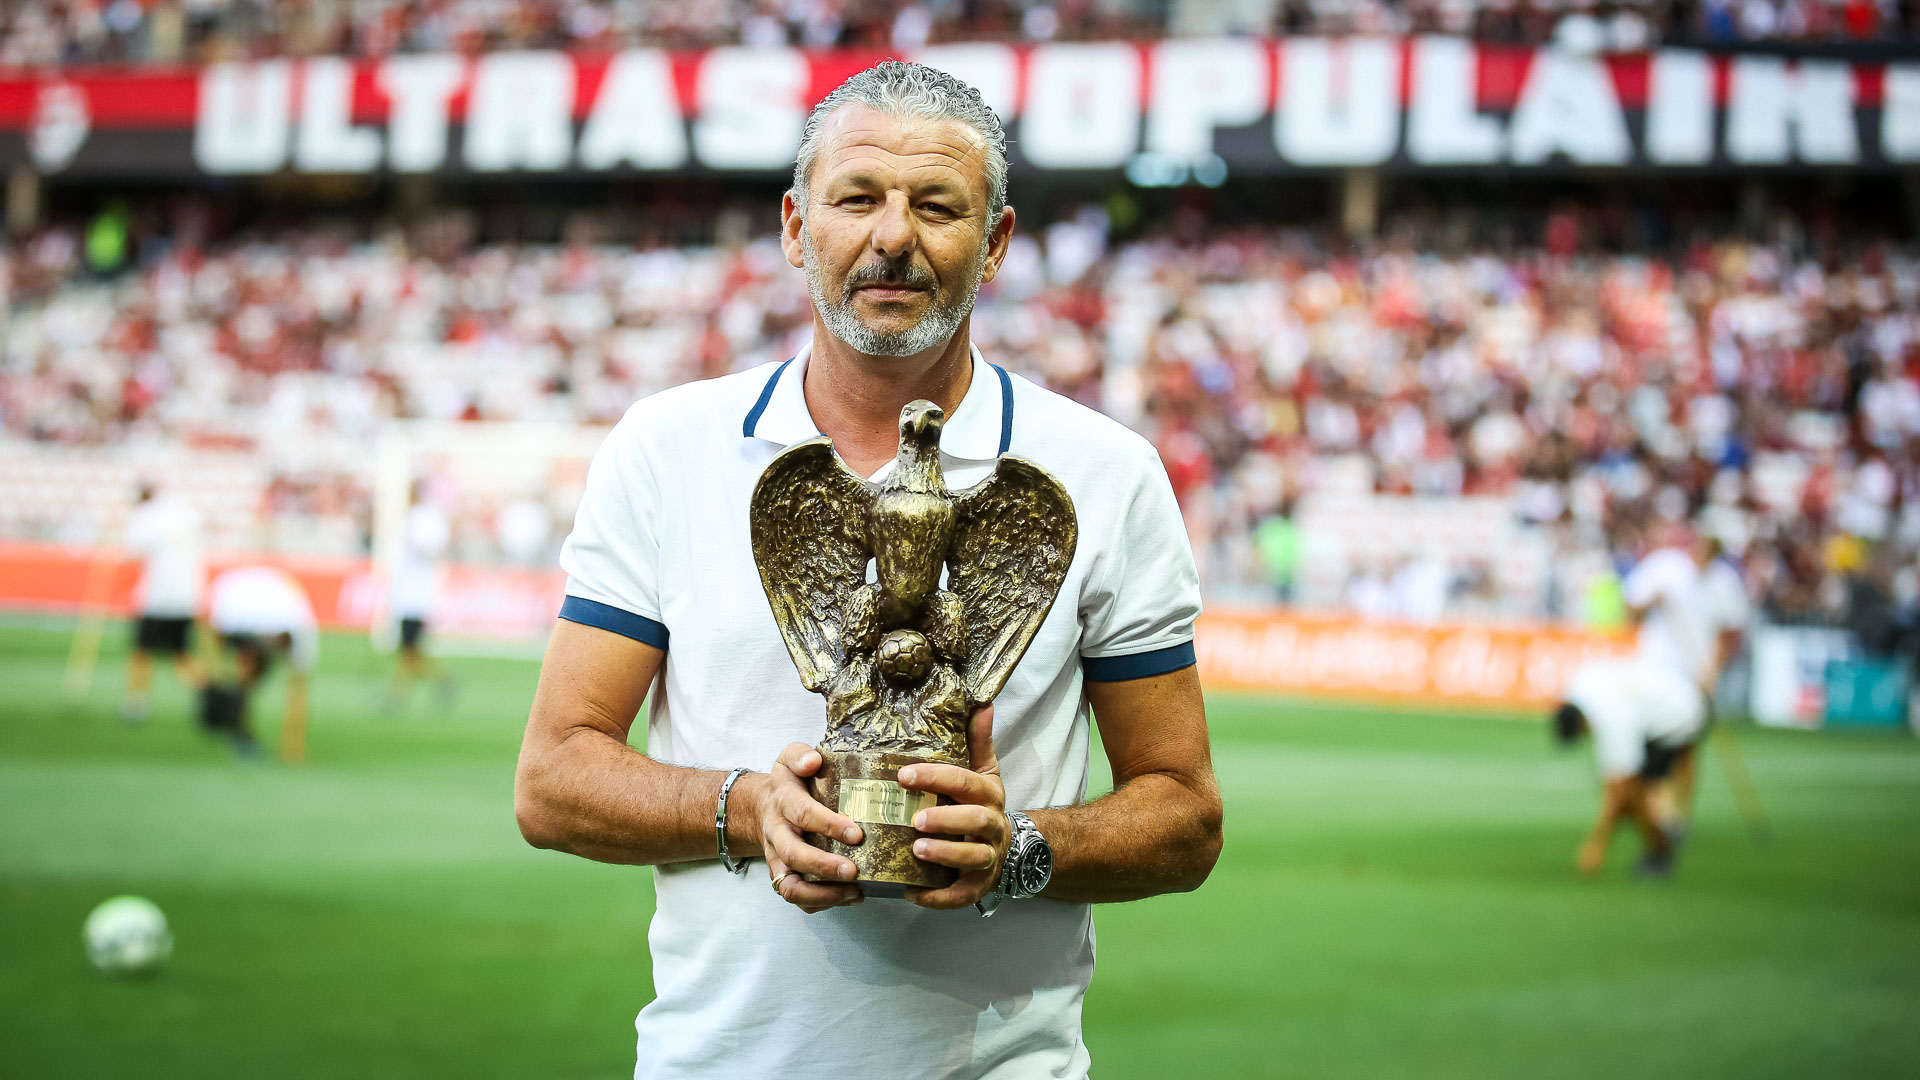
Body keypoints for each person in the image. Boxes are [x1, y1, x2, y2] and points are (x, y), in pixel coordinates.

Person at [514, 62, 1222, 1080]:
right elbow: (551, 780)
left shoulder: (1107, 473)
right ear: (797, 228)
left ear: (996, 242)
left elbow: (1186, 815)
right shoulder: (665, 449)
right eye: (857, 199)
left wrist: (1020, 848)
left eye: (937, 206)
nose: (893, 236)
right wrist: (749, 811)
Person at [202, 565, 319, 764]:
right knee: (238, 678)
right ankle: (237, 724)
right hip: (236, 607)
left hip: (243, 610)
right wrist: (213, 679)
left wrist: (293, 743)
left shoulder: (300, 628)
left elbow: (298, 688)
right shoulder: (231, 603)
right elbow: (212, 635)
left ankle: (237, 723)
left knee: (243, 678)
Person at [121, 482, 205, 722]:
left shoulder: (145, 517)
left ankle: (136, 702)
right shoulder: (185, 513)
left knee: (142, 652)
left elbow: (132, 552)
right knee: (182, 655)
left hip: (157, 597)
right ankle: (209, 696)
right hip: (187, 595)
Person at [387, 486, 454, 708]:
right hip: (409, 597)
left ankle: (400, 692)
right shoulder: (415, 519)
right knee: (410, 649)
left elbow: (430, 550)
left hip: (415, 598)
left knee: (409, 649)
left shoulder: (423, 520)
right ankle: (440, 680)